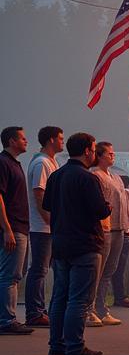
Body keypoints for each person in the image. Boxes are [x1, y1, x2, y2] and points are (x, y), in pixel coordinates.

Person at [43, 132, 110, 355]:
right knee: (80, 299)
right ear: (87, 151)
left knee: (60, 296)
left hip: (61, 243)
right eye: (93, 149)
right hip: (85, 244)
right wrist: (107, 205)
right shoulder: (88, 178)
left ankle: (57, 345)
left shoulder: (56, 176)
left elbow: (48, 206)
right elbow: (101, 210)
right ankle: (75, 346)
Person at [90, 142, 129, 327]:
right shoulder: (95, 176)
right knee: (97, 271)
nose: (112, 155)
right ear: (99, 155)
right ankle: (89, 309)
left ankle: (102, 308)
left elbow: (124, 201)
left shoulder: (115, 177)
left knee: (110, 270)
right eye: (109, 153)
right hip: (104, 227)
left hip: (119, 227)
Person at [24, 126, 63, 327]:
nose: (62, 142)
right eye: (60, 138)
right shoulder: (41, 163)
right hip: (42, 227)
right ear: (50, 140)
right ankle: (34, 312)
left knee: (45, 269)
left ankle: (41, 309)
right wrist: (49, 220)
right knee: (39, 269)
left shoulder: (51, 162)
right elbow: (39, 194)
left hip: (49, 225)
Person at [0, 126, 33, 335]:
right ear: (12, 141)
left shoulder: (14, 163)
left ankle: (7, 317)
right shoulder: (3, 163)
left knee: (14, 274)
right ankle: (6, 320)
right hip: (13, 227)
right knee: (9, 275)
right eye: (22, 138)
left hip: (20, 226)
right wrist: (7, 229)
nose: (26, 141)